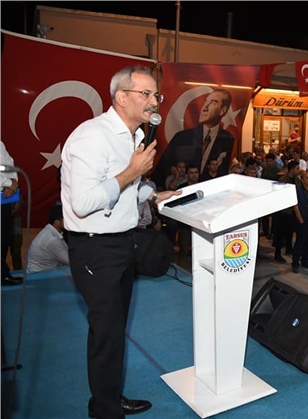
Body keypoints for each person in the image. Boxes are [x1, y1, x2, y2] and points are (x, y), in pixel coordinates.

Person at [60, 65, 181, 419]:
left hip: (122, 243)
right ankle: (105, 411)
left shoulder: (134, 137)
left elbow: (127, 187)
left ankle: (108, 397)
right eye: (145, 94)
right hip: (95, 248)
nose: (153, 101)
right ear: (121, 97)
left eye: (156, 95)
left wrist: (153, 193)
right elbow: (83, 203)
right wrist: (132, 171)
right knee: (107, 333)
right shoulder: (92, 137)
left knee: (114, 330)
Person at [154, 89, 234, 185]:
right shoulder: (181, 137)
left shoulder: (228, 140)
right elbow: (160, 172)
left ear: (223, 110)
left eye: (212, 103)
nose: (204, 108)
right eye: (205, 102)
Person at [1, 140, 23, 286]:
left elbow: (10, 163)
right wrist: (9, 183)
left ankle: (2, 273)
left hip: (4, 199)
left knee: (4, 238)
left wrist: (13, 181)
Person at [26, 204, 69, 273]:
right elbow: (71, 261)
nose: (69, 222)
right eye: (66, 219)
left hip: (42, 273)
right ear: (57, 222)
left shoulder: (50, 231)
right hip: (39, 277)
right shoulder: (52, 240)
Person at [292, 170, 308, 273]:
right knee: (300, 242)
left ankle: (305, 260)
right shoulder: (298, 190)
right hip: (303, 220)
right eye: (306, 178)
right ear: (302, 180)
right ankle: (295, 263)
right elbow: (295, 206)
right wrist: (300, 219)